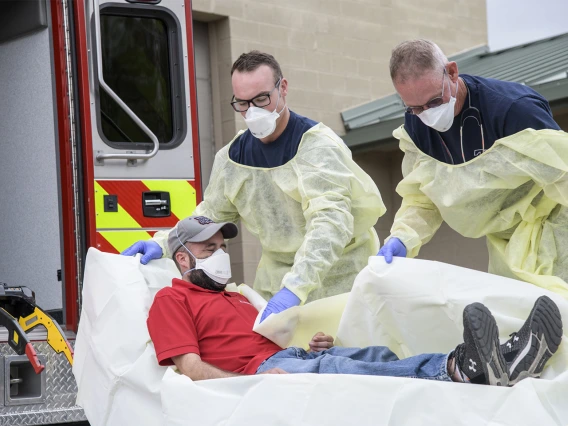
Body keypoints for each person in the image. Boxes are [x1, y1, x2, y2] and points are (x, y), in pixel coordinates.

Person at [147, 215, 563, 386]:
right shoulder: (172, 299)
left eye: (221, 245)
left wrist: (307, 348)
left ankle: (498, 358)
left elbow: (258, 343)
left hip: (290, 357)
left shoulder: (236, 299)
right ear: (181, 257)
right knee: (347, 370)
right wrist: (254, 385)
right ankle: (464, 368)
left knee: (376, 355)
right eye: (208, 249)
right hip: (267, 374)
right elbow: (191, 368)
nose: (219, 254)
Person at [123, 51, 386, 321]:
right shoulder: (232, 158)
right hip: (275, 284)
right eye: (242, 103)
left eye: (261, 99)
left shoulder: (317, 147)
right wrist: (166, 243)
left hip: (341, 282)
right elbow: (210, 216)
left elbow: (330, 224)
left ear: (282, 88)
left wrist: (295, 288)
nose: (253, 111)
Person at [378, 39, 568, 297]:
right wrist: (404, 237)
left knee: (556, 312)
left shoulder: (512, 110)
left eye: (434, 102)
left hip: (555, 227)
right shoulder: (417, 128)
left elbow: (563, 172)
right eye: (414, 108)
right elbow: (422, 197)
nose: (427, 114)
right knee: (518, 319)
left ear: (452, 73)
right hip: (504, 242)